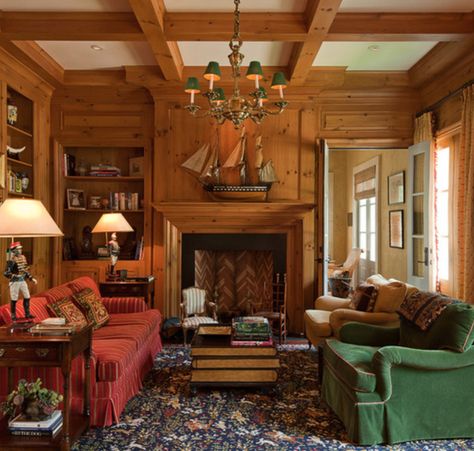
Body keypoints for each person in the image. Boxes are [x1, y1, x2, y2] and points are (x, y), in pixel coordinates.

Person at [3, 242, 37, 321]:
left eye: (20, 249)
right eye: (18, 249)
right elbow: (6, 273)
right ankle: (13, 315)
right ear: (14, 251)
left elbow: (25, 270)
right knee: (14, 298)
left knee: (27, 296)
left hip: (22, 281)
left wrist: (31, 278)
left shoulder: (23, 258)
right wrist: (13, 275)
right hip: (15, 282)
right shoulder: (11, 260)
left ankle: (27, 313)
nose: (20, 250)